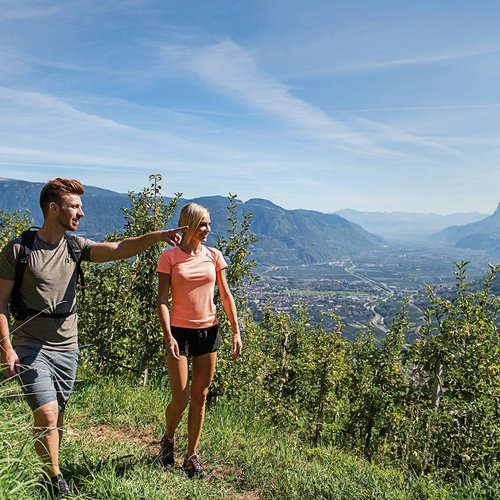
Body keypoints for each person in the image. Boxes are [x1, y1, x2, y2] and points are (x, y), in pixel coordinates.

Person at [0, 178, 186, 498]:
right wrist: (6, 350)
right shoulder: (20, 249)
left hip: (67, 347)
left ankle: (47, 473)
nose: (81, 213)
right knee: (45, 412)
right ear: (53, 208)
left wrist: (158, 236)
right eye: (75, 206)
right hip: (30, 344)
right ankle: (56, 480)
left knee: (56, 414)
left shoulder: (75, 247)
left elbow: (120, 248)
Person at [157, 202, 242, 478]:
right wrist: (168, 333)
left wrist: (236, 330)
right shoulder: (169, 257)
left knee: (200, 396)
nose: (207, 229)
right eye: (203, 224)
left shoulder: (214, 256)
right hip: (179, 334)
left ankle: (190, 456)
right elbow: (162, 300)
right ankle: (168, 437)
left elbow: (226, 295)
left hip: (209, 331)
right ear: (189, 224)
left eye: (208, 224)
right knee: (180, 398)